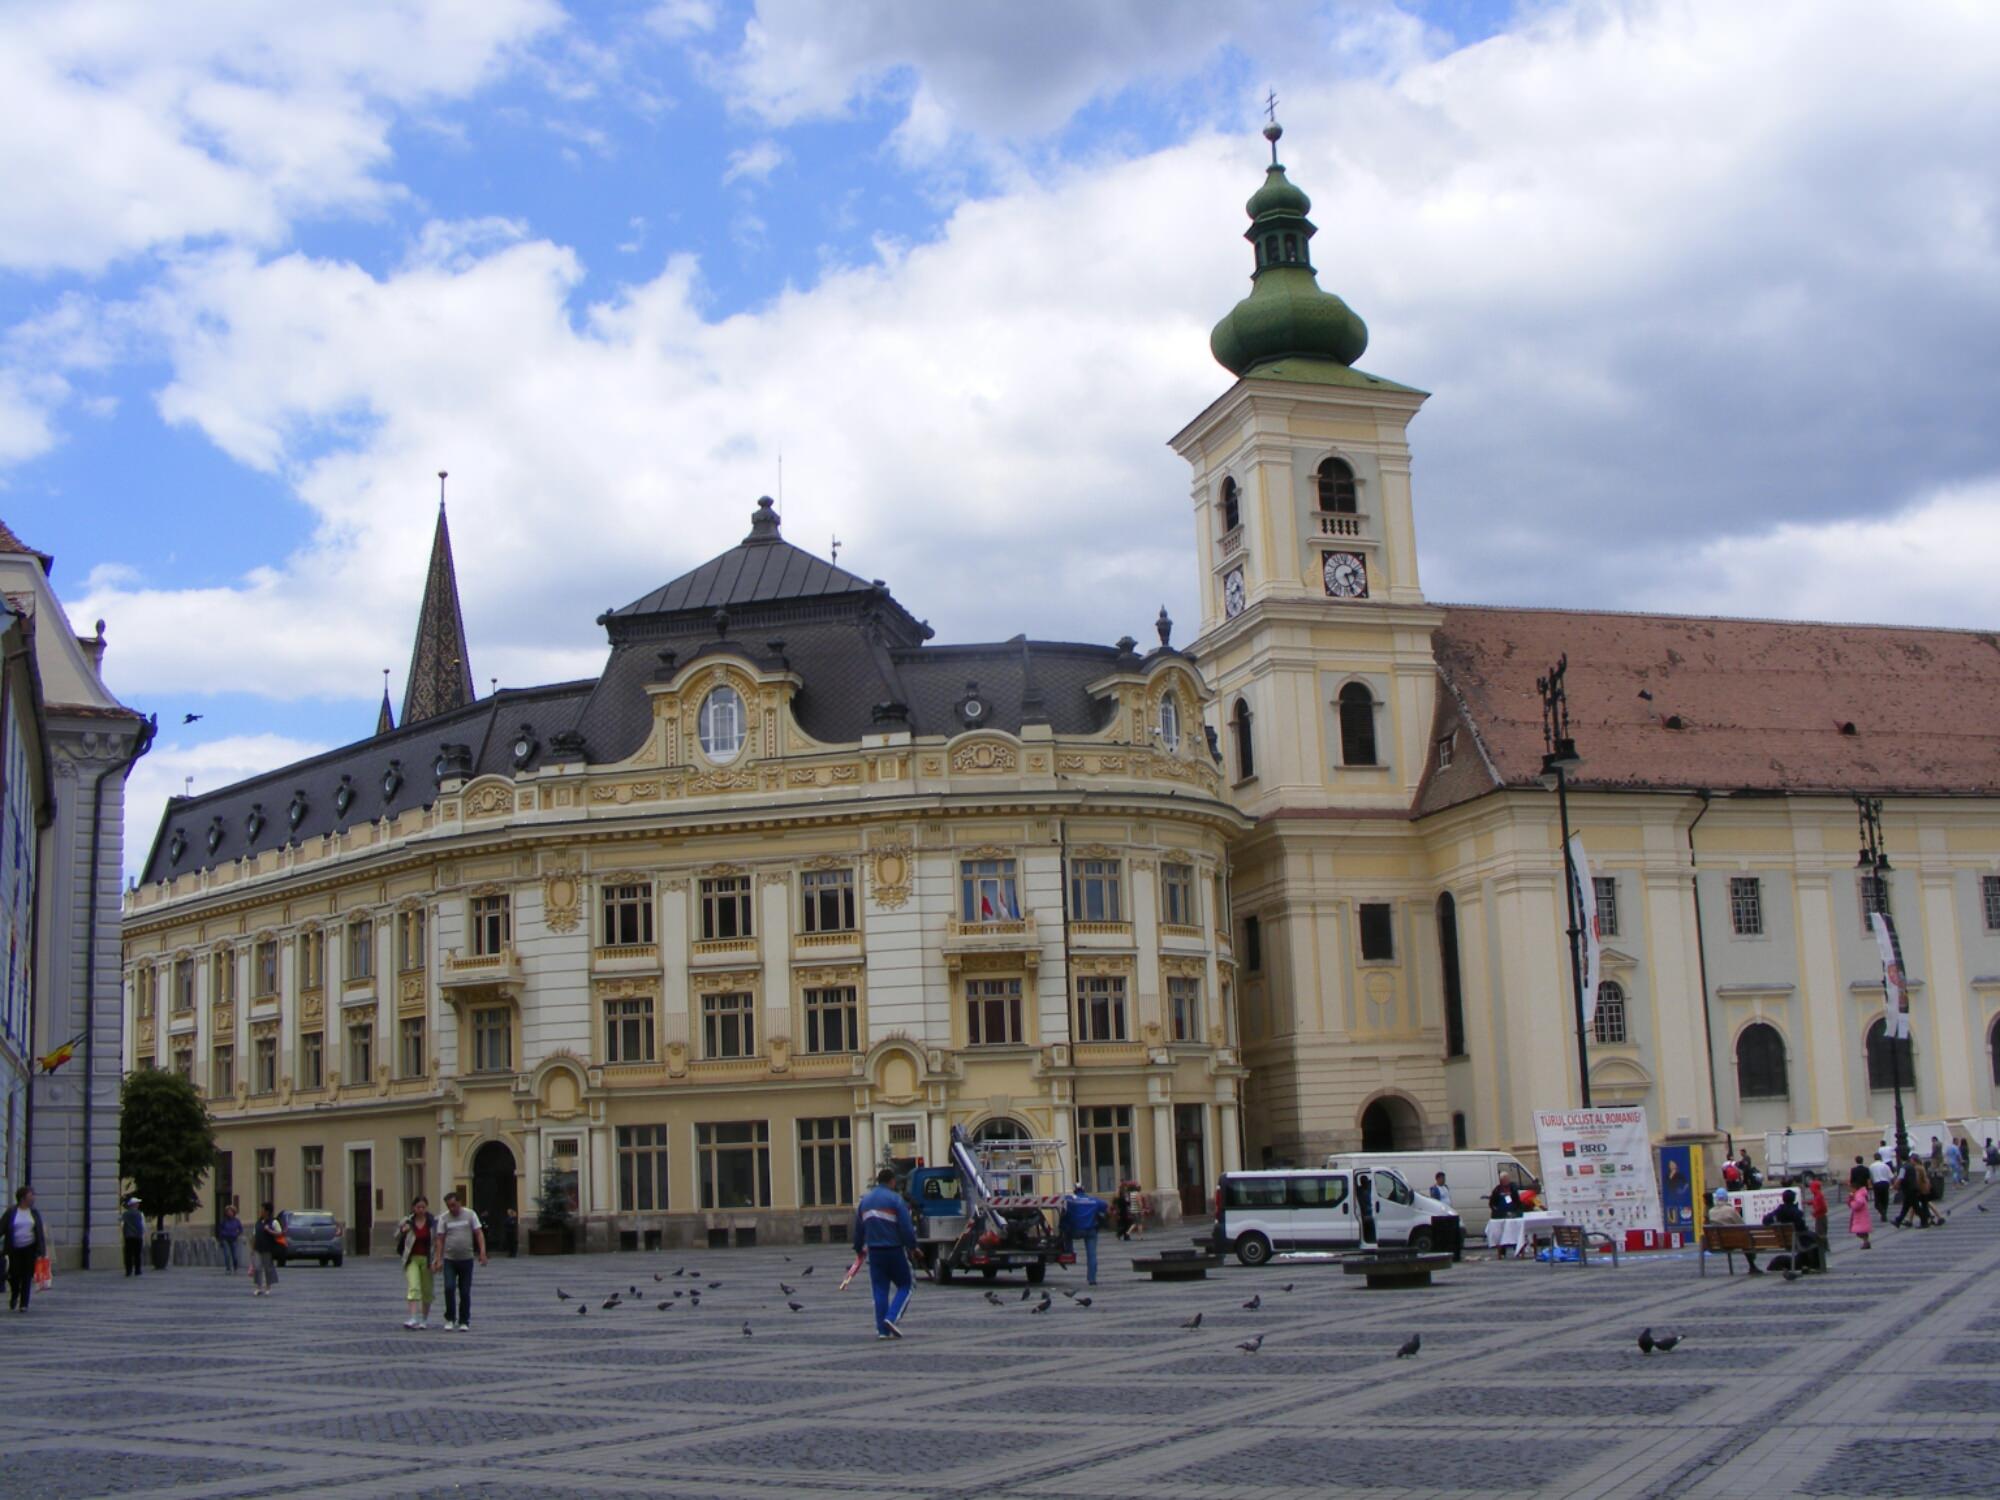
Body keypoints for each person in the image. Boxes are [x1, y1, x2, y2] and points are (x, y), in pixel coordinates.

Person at [852, 1166, 918, 1340]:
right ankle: (891, 1317)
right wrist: (913, 1246)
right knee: (906, 1285)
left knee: (880, 1290)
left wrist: (859, 1249)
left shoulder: (864, 1202)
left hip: (874, 1252)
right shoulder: (895, 1200)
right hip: (894, 1250)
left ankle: (882, 1330)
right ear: (892, 1181)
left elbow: (858, 1230)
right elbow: (906, 1227)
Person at [432, 1190, 486, 1331]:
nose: (452, 1208)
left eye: (454, 1205)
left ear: (460, 1203)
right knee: (449, 1287)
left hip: (466, 1259)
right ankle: (450, 1318)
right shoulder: (444, 1218)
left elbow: (478, 1233)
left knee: (464, 1291)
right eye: (449, 1206)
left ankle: (464, 1320)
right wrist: (438, 1258)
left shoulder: (470, 1214)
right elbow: (440, 1239)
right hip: (450, 1259)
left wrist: (482, 1252)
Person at [2, 1186, 46, 1312]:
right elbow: (2, 1227)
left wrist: (42, 1252)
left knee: (27, 1275)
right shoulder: (11, 1212)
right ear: (23, 1198)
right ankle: (15, 1293)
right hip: (14, 1248)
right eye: (31, 1195)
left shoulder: (34, 1212)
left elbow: (39, 1232)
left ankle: (24, 1304)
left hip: (29, 1248)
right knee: (14, 1275)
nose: (33, 1197)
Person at [396, 1196, 437, 1330]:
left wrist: (436, 1259)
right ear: (414, 1208)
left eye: (423, 1207)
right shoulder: (407, 1220)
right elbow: (395, 1235)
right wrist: (403, 1230)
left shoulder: (432, 1222)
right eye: (418, 1207)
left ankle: (424, 1319)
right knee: (413, 1287)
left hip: (427, 1259)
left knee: (427, 1290)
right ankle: (413, 1317)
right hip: (411, 1258)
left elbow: (437, 1241)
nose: (421, 1210)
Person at [1061, 1185, 1109, 1287]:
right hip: (1090, 1230)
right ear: (1084, 1190)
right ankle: (1092, 1279)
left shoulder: (1071, 1200)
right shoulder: (1093, 1200)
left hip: (1075, 1230)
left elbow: (1062, 1202)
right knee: (1092, 1255)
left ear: (1074, 1191)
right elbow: (1105, 1206)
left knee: (1066, 1234)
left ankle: (1069, 1252)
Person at [1706, 1188, 1760, 1274]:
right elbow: (1742, 1225)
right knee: (1746, 1239)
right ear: (1726, 1198)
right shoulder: (1730, 1210)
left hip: (1720, 1242)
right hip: (1734, 1242)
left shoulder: (1711, 1212)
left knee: (1744, 1240)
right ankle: (1752, 1265)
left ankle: (1752, 1265)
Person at [1767, 1188, 1820, 1271]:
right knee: (1815, 1239)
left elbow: (1766, 1220)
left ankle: (1807, 1262)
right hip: (1797, 1240)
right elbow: (1801, 1227)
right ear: (1793, 1199)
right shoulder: (1796, 1212)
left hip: (1785, 1240)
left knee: (1811, 1238)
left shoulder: (1779, 1211)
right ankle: (1815, 1265)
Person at [1893, 1156, 1936, 1229]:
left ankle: (1924, 1221)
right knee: (1906, 1207)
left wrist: (1895, 1185)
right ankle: (1898, 1220)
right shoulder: (1913, 1167)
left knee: (1916, 1208)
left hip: (1910, 1190)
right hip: (1915, 1189)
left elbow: (1900, 1178)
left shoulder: (1904, 1168)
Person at [250, 1202, 282, 1295]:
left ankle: (268, 1287)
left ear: (267, 1211)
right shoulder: (258, 1222)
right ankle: (258, 1287)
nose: (261, 1211)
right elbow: (254, 1235)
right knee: (257, 1267)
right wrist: (252, 1249)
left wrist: (270, 1231)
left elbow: (280, 1233)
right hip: (258, 1248)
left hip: (268, 1248)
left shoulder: (274, 1222)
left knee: (268, 1268)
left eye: (262, 1210)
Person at [121, 1195, 146, 1276]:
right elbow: (142, 1225)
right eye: (137, 1203)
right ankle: (137, 1270)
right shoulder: (140, 1214)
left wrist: (125, 1233)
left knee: (128, 1254)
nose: (138, 1204)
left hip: (128, 1236)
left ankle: (128, 1271)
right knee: (137, 1254)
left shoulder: (125, 1214)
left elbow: (122, 1224)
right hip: (138, 1236)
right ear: (134, 1204)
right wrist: (142, 1233)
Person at [1806, 1177, 1829, 1261]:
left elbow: (1823, 1207)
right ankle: (1824, 1246)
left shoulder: (1819, 1195)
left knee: (1821, 1233)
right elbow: (1814, 1201)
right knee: (1820, 1232)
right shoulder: (1817, 1195)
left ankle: (1824, 1247)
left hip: (1821, 1216)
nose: (1811, 1190)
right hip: (1819, 1216)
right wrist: (1809, 1202)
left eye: (1812, 1188)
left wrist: (1815, 1212)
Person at [217, 1203, 243, 1275]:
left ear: (233, 1213)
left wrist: (237, 1234)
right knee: (227, 1254)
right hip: (225, 1239)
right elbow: (220, 1229)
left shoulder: (236, 1221)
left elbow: (240, 1229)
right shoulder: (224, 1221)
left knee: (234, 1255)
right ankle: (228, 1268)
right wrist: (222, 1236)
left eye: (231, 1211)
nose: (229, 1213)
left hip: (233, 1239)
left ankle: (235, 1267)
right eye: (228, 1211)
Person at [1848, 1179, 1873, 1250]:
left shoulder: (1858, 1195)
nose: (1850, 1190)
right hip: (1861, 1215)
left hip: (1861, 1216)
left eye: (1850, 1188)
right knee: (1862, 1231)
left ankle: (1866, 1242)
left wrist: (1852, 1203)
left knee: (1859, 1232)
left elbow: (1859, 1203)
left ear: (1854, 1188)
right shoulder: (1858, 1194)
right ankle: (1866, 1242)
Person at [1870, 1153, 1894, 1221]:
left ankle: (1882, 1213)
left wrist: (1871, 1184)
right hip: (1885, 1183)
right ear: (1880, 1158)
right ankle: (1884, 1213)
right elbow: (1891, 1176)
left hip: (1877, 1184)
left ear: (1874, 1158)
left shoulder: (1871, 1166)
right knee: (1885, 1200)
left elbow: (1871, 1177)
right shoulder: (1885, 1165)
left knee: (1877, 1202)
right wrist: (1893, 1184)